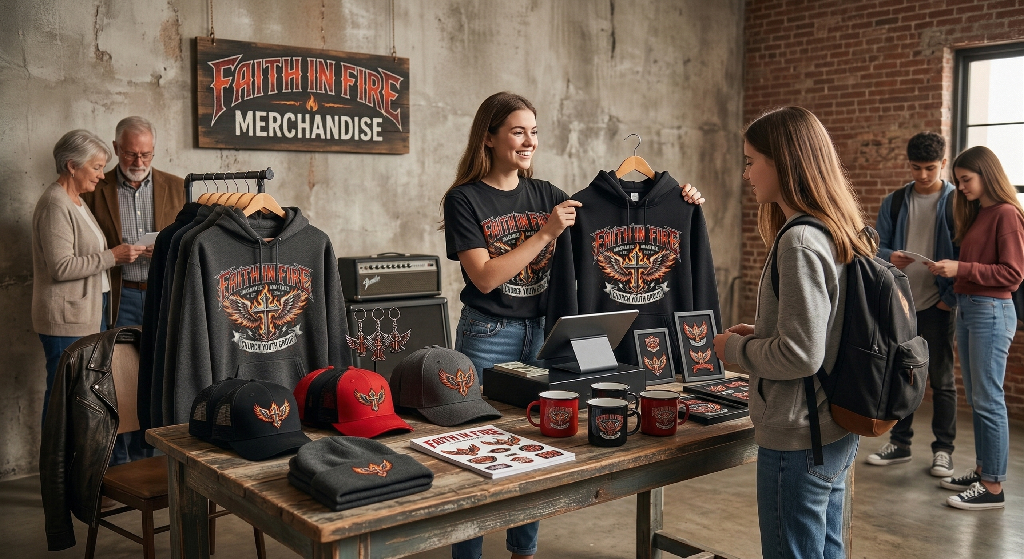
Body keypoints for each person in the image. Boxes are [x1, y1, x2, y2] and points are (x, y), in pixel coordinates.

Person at [441, 91, 702, 559]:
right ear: (490, 137)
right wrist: (544, 233)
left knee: (540, 442)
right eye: (518, 131)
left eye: (534, 132)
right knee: (479, 451)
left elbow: (610, 210)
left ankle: (524, 551)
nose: (529, 141)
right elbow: (483, 278)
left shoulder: (548, 194)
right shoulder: (464, 199)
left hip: (546, 334)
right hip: (488, 337)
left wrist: (680, 198)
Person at [713, 107, 875, 559]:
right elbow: (827, 327)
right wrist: (764, 331)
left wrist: (736, 349)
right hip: (834, 424)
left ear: (782, 163)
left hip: (801, 435)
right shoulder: (838, 227)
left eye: (750, 161)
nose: (746, 174)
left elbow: (802, 354)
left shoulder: (799, 241)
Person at [927, 145, 1024, 511]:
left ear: (987, 175)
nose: (961, 187)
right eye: (958, 181)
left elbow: (1013, 274)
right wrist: (951, 270)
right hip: (970, 310)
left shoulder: (1006, 214)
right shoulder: (979, 213)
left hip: (991, 311)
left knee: (988, 400)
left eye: (966, 180)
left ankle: (993, 488)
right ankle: (985, 470)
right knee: (979, 399)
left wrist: (961, 269)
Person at [32, 130, 145, 426]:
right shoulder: (55, 204)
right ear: (72, 165)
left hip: (84, 314)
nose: (101, 176)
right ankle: (56, 470)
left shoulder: (77, 202)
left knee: (74, 397)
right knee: (61, 399)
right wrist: (114, 256)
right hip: (65, 319)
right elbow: (62, 267)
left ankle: (72, 467)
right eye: (96, 167)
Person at [867, 131, 959, 477]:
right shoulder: (893, 201)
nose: (922, 175)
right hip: (902, 304)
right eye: (916, 168)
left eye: (930, 169)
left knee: (942, 379)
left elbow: (964, 253)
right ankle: (900, 444)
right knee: (900, 375)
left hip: (938, 305)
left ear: (943, 164)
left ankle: (943, 450)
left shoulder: (955, 202)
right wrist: (892, 255)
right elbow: (875, 247)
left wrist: (948, 302)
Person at [82, 116, 185, 329]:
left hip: (164, 292)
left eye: (146, 155)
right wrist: (114, 254)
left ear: (154, 149)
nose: (139, 163)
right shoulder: (94, 190)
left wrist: (166, 247)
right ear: (116, 148)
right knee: (120, 360)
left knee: (163, 360)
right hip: (119, 295)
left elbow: (190, 239)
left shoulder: (178, 187)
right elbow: (85, 245)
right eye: (130, 154)